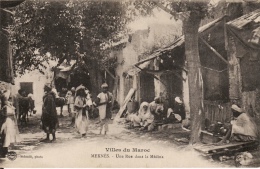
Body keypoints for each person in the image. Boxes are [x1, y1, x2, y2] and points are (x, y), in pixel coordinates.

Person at [0, 90, 20, 157]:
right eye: (8, 98)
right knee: (5, 136)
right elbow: (4, 114)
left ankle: (5, 150)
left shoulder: (8, 105)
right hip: (6, 122)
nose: (9, 100)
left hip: (10, 122)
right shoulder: (4, 107)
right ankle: (3, 152)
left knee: (7, 137)